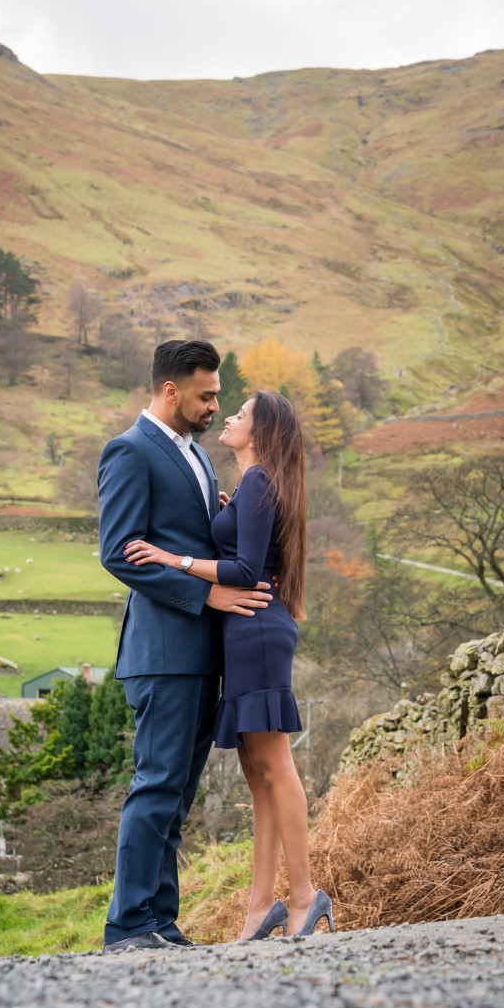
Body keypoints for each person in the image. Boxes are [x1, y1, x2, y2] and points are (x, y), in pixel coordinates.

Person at [124, 390, 333, 941]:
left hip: (256, 631)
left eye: (241, 413)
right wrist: (228, 514)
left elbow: (243, 570)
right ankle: (260, 908)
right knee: (258, 779)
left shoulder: (260, 480)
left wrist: (172, 559)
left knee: (275, 767)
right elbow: (247, 551)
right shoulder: (252, 485)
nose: (229, 416)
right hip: (244, 635)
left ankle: (304, 896)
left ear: (260, 433)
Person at [97, 340, 273, 953]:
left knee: (176, 796)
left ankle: (161, 922)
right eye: (206, 395)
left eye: (218, 395)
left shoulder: (196, 455)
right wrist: (207, 596)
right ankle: (127, 925)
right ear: (171, 390)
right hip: (163, 652)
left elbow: (187, 540)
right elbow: (119, 552)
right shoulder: (129, 450)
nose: (215, 405)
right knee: (156, 786)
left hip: (201, 654)